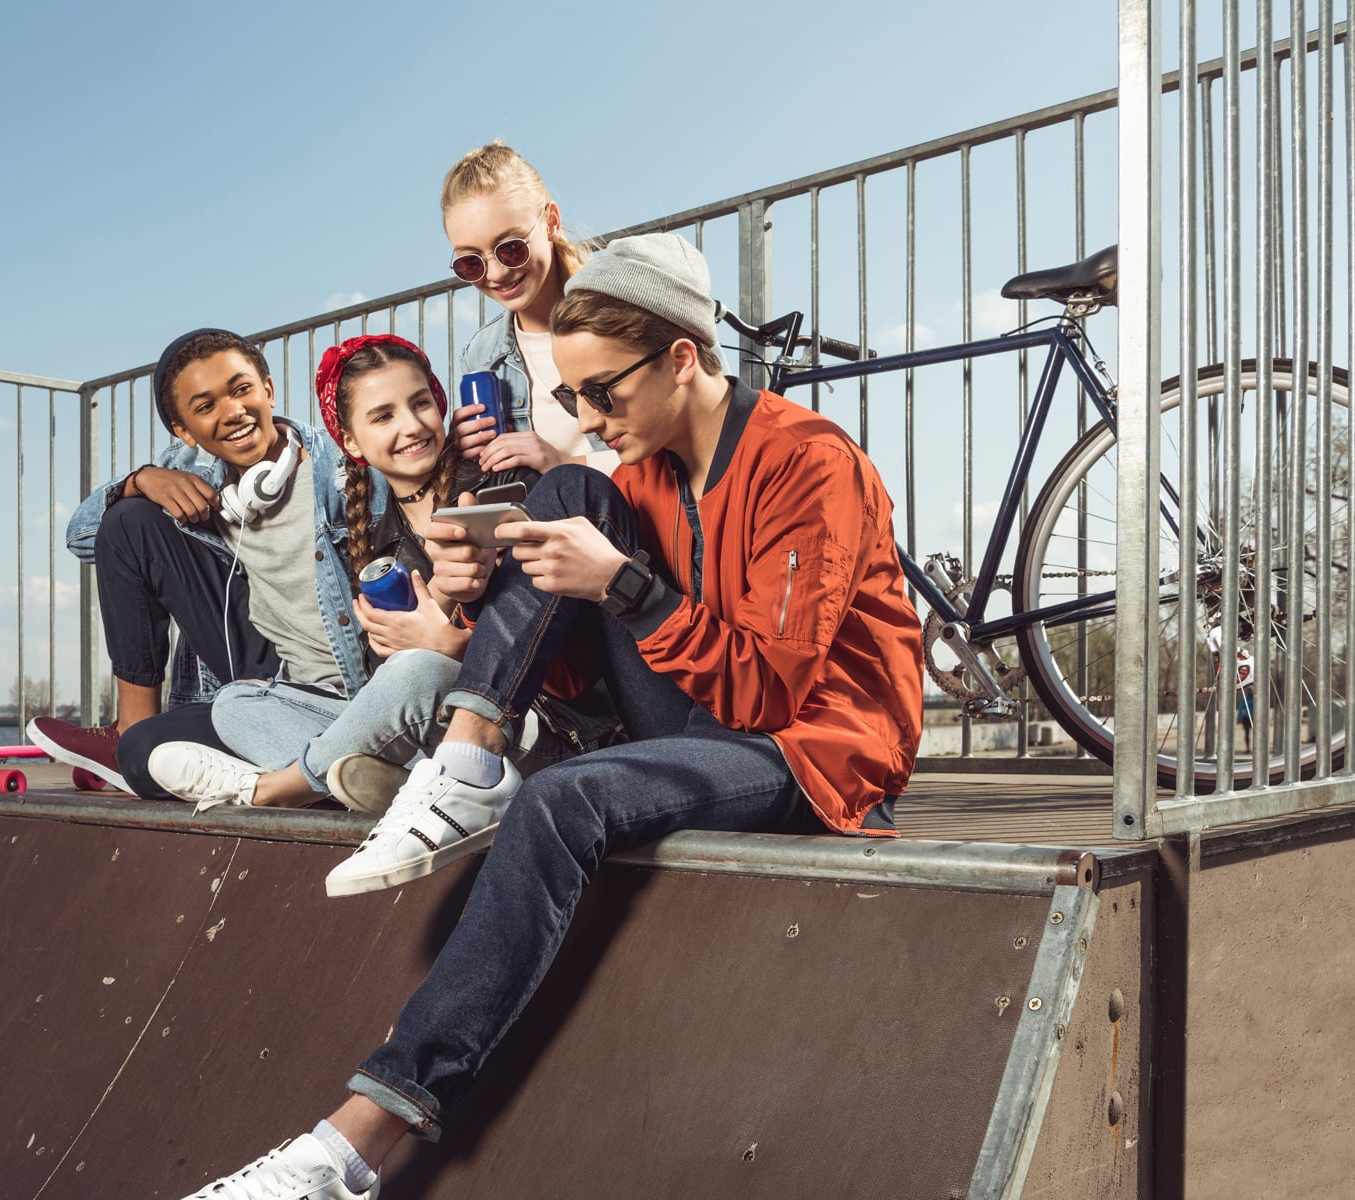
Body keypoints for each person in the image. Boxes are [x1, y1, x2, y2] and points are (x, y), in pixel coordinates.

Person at [175, 234, 925, 1199]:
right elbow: (589, 669)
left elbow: (768, 693)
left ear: (684, 358)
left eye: (602, 393)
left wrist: (625, 588)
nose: (588, 415)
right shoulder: (642, 472)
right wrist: (487, 590)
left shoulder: (806, 461)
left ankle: (349, 1150)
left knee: (566, 800)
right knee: (563, 491)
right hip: (695, 723)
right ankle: (465, 758)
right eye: (571, 398)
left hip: (811, 751)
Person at [147, 334, 611, 813]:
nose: (411, 427)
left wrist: (450, 642)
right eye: (383, 416)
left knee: (417, 669)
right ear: (350, 441)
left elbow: (561, 643)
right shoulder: (371, 542)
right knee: (236, 703)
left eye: (420, 404)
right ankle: (406, 784)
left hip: (542, 729)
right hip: (433, 729)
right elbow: (383, 691)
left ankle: (275, 789)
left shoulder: (500, 484)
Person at [28, 328, 374, 799]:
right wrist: (139, 481)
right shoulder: (197, 477)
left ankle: (298, 777)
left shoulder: (343, 467)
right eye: (206, 406)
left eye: (241, 389)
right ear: (185, 432)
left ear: (268, 390)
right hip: (263, 687)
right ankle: (136, 727)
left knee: (161, 764)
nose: (233, 412)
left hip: (356, 689)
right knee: (139, 750)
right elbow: (84, 537)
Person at [442, 141, 620, 479]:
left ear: (552, 222)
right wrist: (461, 453)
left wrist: (563, 465)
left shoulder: (627, 310)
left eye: (510, 249)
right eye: (470, 263)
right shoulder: (482, 355)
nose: (495, 274)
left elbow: (696, 436)